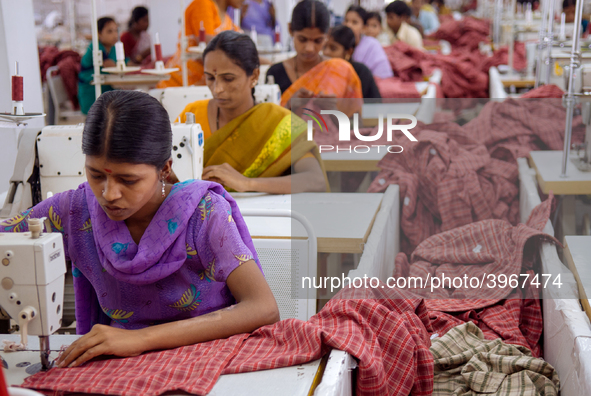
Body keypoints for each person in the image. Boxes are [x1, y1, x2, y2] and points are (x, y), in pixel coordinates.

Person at [0, 90, 279, 368]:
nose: (109, 194)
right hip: (122, 360)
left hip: (208, 353)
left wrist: (141, 339)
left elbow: (263, 307)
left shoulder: (205, 213)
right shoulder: (74, 209)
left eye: (128, 180)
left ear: (164, 169)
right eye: (96, 175)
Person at [177, 31, 328, 194]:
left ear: (254, 75)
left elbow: (315, 180)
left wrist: (248, 184)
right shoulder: (191, 115)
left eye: (228, 79)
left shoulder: (278, 123)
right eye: (210, 78)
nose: (217, 89)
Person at [265, 0, 362, 112]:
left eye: (318, 41)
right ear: (290, 29)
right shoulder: (275, 73)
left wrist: (333, 111)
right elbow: (268, 123)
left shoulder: (339, 71)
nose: (309, 48)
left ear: (328, 35)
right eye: (302, 39)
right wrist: (289, 106)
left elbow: (356, 122)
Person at [157, 0, 243, 88]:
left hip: (201, 85)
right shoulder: (203, 4)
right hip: (179, 85)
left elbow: (243, 43)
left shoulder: (227, 18)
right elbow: (211, 44)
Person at [323, 25, 381, 98]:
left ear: (349, 52)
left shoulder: (360, 73)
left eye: (333, 49)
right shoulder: (321, 70)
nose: (326, 52)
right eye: (324, 47)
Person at [78, 17, 118, 115]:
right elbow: (111, 66)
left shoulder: (112, 48)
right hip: (92, 93)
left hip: (106, 90)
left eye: (116, 31)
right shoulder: (96, 48)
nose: (115, 35)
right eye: (109, 31)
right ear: (99, 34)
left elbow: (124, 61)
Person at [343, 6, 393, 79]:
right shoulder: (341, 42)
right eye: (346, 21)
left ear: (364, 27)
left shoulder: (372, 45)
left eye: (354, 22)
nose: (348, 25)